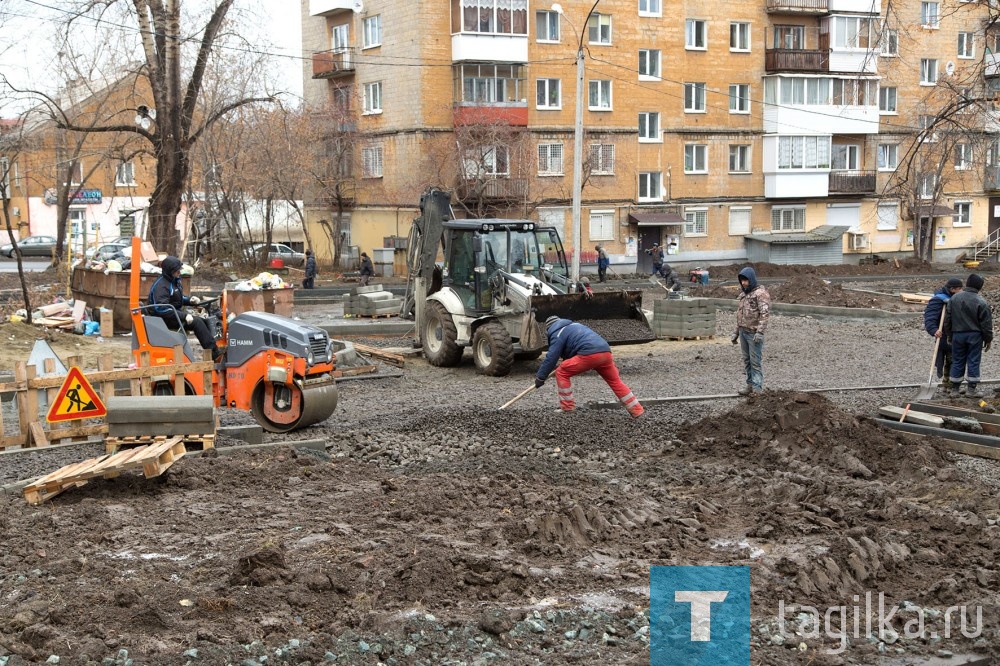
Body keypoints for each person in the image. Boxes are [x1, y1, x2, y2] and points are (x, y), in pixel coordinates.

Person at [535, 316, 644, 418]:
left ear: (548, 329)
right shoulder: (575, 326)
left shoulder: (557, 333)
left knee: (561, 371)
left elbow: (551, 357)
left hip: (589, 354)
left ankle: (567, 407)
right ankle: (637, 410)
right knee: (615, 381)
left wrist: (541, 377)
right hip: (605, 352)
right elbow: (574, 347)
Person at [148, 256, 221, 361]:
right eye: (177, 271)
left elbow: (176, 297)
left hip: (173, 314)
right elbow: (161, 309)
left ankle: (213, 350)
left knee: (204, 321)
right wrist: (184, 315)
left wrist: (189, 300)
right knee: (197, 323)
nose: (179, 273)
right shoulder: (161, 286)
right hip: (163, 319)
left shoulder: (173, 281)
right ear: (170, 271)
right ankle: (215, 354)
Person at [944, 273, 993, 398]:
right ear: (979, 287)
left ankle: (954, 389)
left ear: (967, 284)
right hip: (975, 336)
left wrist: (949, 335)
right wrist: (988, 339)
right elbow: (986, 324)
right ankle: (971, 390)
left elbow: (947, 320)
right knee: (973, 360)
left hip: (957, 334)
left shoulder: (954, 299)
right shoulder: (981, 301)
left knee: (957, 360)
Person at [731, 266, 771, 395]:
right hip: (743, 332)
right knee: (747, 361)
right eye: (742, 280)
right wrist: (736, 332)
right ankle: (749, 385)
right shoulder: (744, 295)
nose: (743, 283)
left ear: (751, 280)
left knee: (755, 362)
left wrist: (760, 332)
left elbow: (764, 314)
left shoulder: (761, 294)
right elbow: (741, 316)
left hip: (753, 334)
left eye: (746, 280)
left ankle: (757, 389)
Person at [923, 277, 963, 392]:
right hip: (944, 335)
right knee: (952, 360)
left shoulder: (954, 299)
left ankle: (948, 385)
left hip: (954, 334)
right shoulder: (938, 300)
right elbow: (929, 317)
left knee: (952, 360)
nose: (961, 291)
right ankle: (949, 385)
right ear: (952, 289)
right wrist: (934, 330)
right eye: (959, 289)